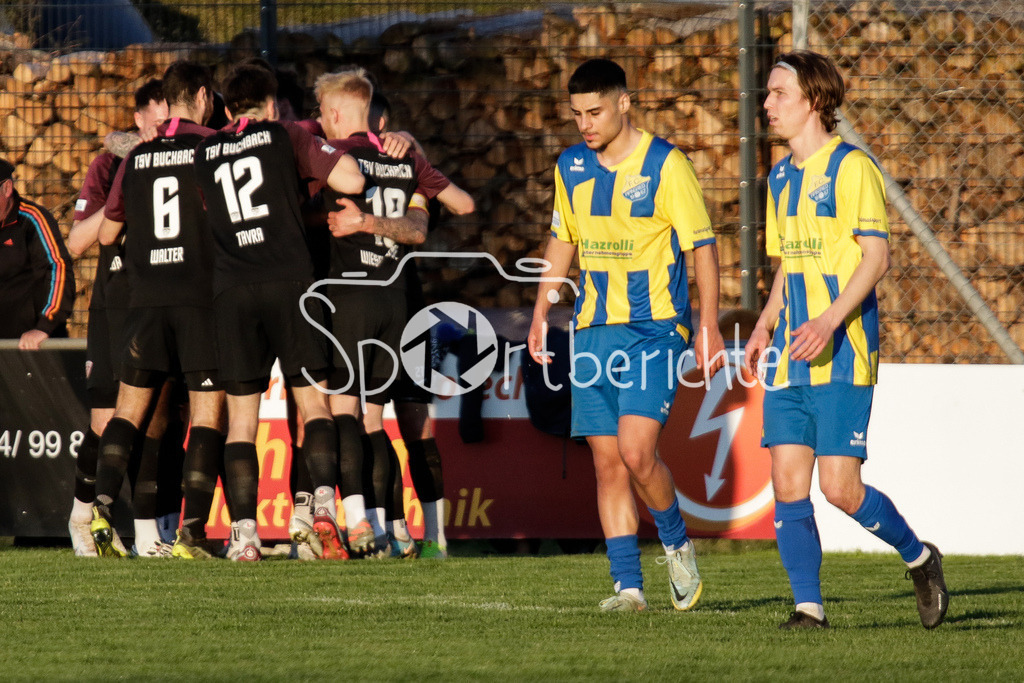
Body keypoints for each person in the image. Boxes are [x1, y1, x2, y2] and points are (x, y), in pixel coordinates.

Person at [743, 50, 948, 630]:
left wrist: (829, 320)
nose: (767, 104)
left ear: (813, 99)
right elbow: (788, 266)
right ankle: (809, 608)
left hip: (842, 349)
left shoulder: (852, 168)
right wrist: (764, 325)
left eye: (779, 93)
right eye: (767, 93)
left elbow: (876, 259)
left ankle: (920, 557)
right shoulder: (780, 175)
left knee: (838, 488)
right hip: (792, 354)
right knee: (787, 481)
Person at [527, 58, 725, 612]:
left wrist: (707, 324)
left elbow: (701, 247)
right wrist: (542, 310)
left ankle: (676, 543)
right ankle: (628, 588)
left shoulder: (666, 165)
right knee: (607, 462)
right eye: (576, 115)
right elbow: (562, 239)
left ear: (624, 103)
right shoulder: (571, 166)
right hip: (590, 330)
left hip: (654, 330)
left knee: (638, 454)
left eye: (594, 111)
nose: (584, 124)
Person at [192, 63, 364, 561]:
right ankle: (326, 510)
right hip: (289, 281)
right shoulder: (286, 134)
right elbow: (350, 179)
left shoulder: (205, 151)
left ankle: (244, 537)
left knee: (242, 423)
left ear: (225, 108)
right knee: (313, 406)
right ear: (270, 104)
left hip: (233, 290)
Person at [92, 60, 226, 560]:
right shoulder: (210, 149)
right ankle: (191, 532)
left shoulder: (138, 156)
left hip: (145, 301)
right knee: (208, 414)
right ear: (201, 96)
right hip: (198, 298)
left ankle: (102, 507)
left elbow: (107, 234)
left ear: (167, 103)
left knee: (131, 412)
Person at [315, 68, 452, 557]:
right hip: (399, 304)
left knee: (386, 420)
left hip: (382, 302)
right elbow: (457, 203)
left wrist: (412, 150)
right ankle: (405, 531)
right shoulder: (389, 157)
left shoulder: (351, 156)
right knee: (384, 422)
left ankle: (403, 530)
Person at [65, 79, 184, 558]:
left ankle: (152, 531)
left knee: (158, 417)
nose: (162, 129)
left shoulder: (185, 156)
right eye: (154, 120)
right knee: (105, 419)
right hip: (114, 302)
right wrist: (128, 176)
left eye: (168, 119)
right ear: (137, 121)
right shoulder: (109, 163)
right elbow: (77, 242)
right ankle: (80, 516)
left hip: (160, 299)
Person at [369, 91, 475, 559]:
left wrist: (411, 145)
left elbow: (455, 202)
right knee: (370, 422)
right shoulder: (338, 159)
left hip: (405, 306)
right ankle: (395, 531)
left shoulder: (402, 160)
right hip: (360, 308)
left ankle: (434, 537)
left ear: (383, 121)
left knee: (413, 423)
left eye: (372, 123)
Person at [0, 159, 74, 349]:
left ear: (7, 188)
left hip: (30, 345)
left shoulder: (32, 219)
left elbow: (58, 267)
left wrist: (44, 326)